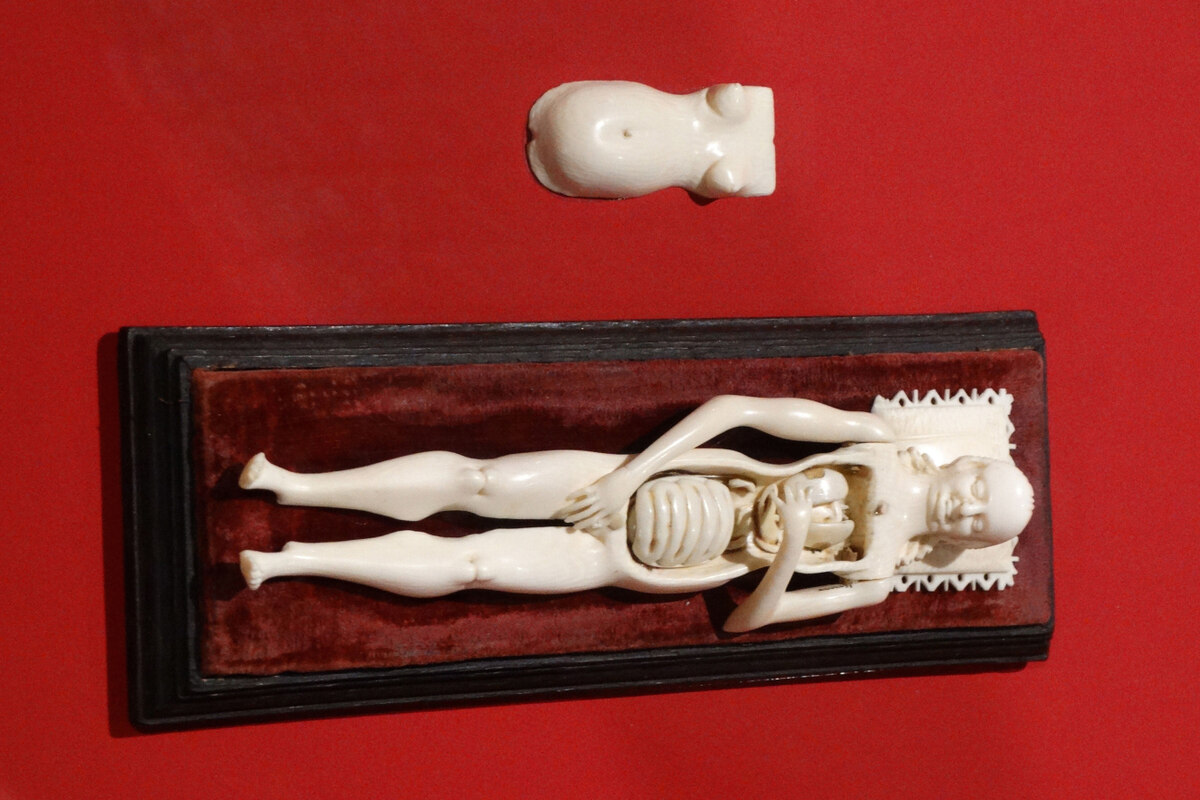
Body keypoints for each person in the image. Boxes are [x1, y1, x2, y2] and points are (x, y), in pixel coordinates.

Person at [238, 395, 1034, 632]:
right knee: (476, 482)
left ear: (961, 543)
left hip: (640, 563)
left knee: (474, 566)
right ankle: (296, 486)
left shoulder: (878, 578)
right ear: (964, 465)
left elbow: (747, 621)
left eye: (975, 524)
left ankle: (294, 563)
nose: (963, 509)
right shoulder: (875, 441)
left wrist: (791, 545)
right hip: (641, 483)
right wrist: (634, 473)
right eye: (977, 490)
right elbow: (734, 410)